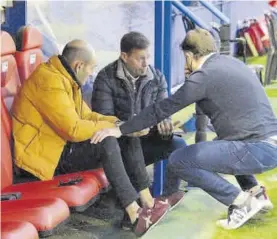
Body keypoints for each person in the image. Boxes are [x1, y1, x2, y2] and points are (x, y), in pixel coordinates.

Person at [91, 29, 277, 230]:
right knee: (220, 144)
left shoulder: (203, 76)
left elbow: (161, 109)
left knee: (179, 160)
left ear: (188, 56)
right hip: (268, 145)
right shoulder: (231, 63)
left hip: (257, 149)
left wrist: (120, 129)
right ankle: (254, 191)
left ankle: (240, 202)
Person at [12, 39, 170, 237]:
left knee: (123, 134)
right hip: (43, 160)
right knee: (107, 140)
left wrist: (121, 125)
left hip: (59, 148)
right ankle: (135, 215)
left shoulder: (66, 78)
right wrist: (114, 129)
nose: (91, 74)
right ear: (79, 65)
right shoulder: (49, 81)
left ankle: (148, 203)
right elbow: (74, 129)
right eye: (91, 69)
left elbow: (87, 116)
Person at [91, 32, 186, 212]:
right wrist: (131, 128)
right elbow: (103, 119)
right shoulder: (105, 78)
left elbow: (163, 111)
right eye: (140, 58)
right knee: (130, 138)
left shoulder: (156, 77)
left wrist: (165, 125)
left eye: (147, 57)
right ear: (124, 56)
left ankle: (165, 199)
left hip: (145, 141)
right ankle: (136, 204)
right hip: (117, 147)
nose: (146, 63)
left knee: (178, 145)